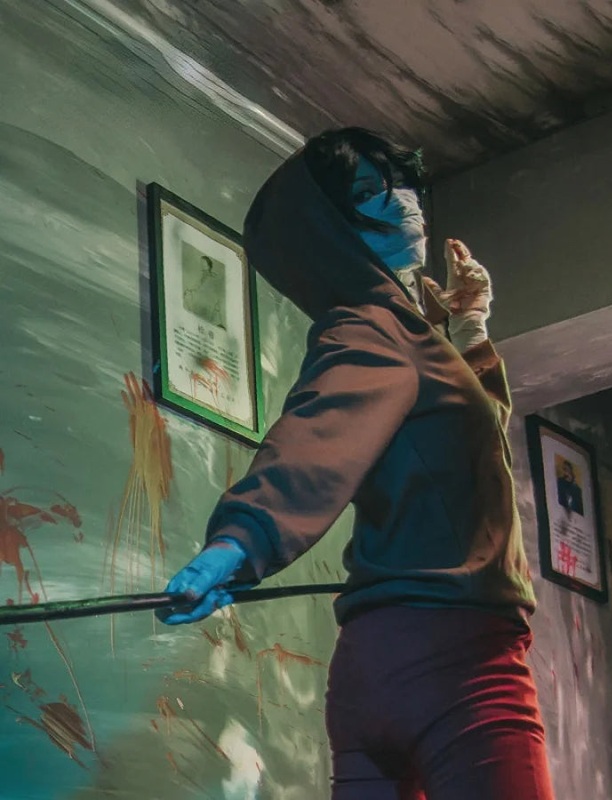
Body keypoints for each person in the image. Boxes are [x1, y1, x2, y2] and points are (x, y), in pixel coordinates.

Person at [158, 127, 555, 800]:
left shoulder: (403, 334)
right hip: (457, 658)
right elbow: (316, 436)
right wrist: (237, 544)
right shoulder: (379, 327)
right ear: (329, 227)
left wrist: (469, 330)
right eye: (372, 191)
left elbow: (471, 448)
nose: (404, 201)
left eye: (402, 183)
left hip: (374, 668)